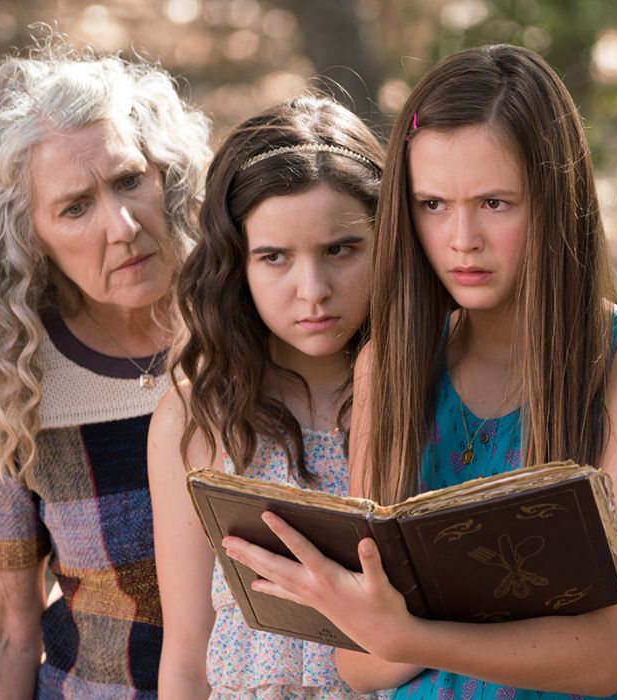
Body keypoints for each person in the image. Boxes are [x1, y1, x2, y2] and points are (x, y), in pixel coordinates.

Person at [219, 44, 617, 699]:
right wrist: (387, 632)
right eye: (432, 204)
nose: (461, 238)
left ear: (555, 200)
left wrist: (406, 633)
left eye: (495, 204)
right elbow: (358, 665)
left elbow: (603, 655)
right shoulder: (392, 365)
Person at [0, 43, 211, 697]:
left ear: (166, 173)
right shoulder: (15, 378)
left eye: (130, 180)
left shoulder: (254, 324)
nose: (123, 225)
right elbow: (0, 626)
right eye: (75, 207)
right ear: (28, 237)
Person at [147, 96, 385, 698]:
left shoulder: (427, 392)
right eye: (274, 257)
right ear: (235, 265)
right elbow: (184, 654)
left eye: (340, 249)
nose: (314, 291)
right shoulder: (199, 415)